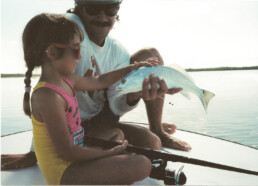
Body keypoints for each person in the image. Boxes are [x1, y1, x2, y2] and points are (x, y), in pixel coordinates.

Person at [1, 0, 191, 171]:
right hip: (70, 127)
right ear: (80, 9)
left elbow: (115, 105)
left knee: (153, 143)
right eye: (93, 7)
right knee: (124, 145)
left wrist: (135, 94)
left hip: (101, 122)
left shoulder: (118, 51)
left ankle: (156, 129)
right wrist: (36, 152)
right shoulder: (69, 29)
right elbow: (47, 93)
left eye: (110, 8)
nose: (102, 16)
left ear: (117, 11)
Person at [20, 13, 158, 185]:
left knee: (117, 133)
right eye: (76, 49)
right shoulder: (48, 97)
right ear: (53, 52)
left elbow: (101, 81)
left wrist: (133, 68)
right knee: (142, 165)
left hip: (76, 157)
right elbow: (67, 152)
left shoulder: (68, 81)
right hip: (65, 172)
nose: (80, 57)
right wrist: (108, 154)